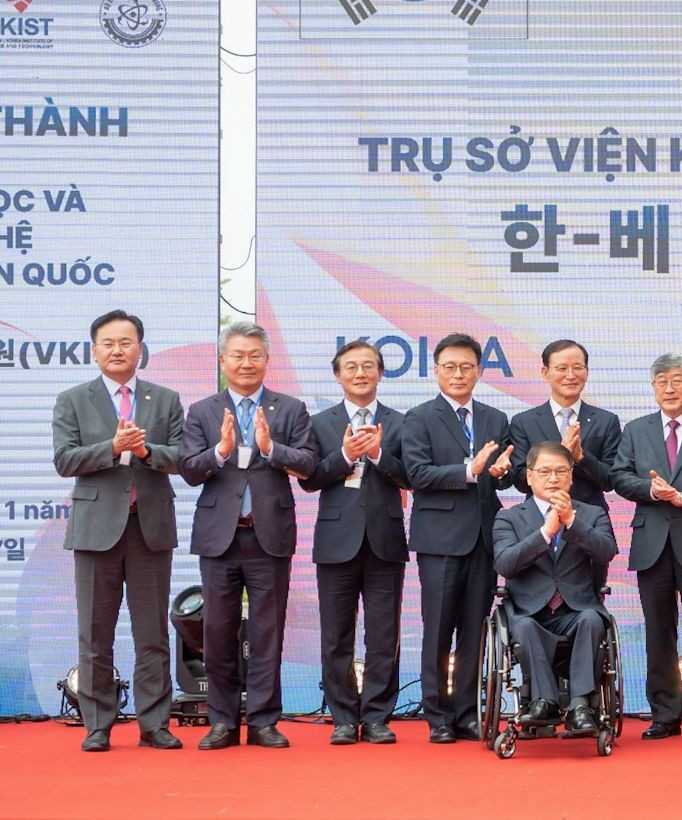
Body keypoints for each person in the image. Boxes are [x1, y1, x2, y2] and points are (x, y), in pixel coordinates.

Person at [180, 321, 318, 749]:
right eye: (237, 355)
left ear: (266, 361)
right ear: (222, 361)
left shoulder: (290, 409)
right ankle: (221, 720)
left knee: (266, 632)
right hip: (219, 538)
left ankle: (262, 721)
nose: (245, 363)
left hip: (268, 536)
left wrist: (270, 448)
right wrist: (220, 451)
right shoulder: (202, 411)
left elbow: (310, 463)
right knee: (217, 632)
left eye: (254, 355)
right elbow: (188, 469)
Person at [54, 309, 185, 752]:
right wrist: (111, 448)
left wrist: (146, 450)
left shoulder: (164, 399)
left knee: (152, 633)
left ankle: (154, 724)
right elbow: (64, 460)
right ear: (94, 350)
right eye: (108, 343)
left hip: (148, 528)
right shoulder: (73, 399)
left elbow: (183, 456)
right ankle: (97, 724)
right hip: (95, 531)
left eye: (126, 342)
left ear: (140, 349)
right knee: (95, 633)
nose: (117, 350)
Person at [399, 332, 513, 744]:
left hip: (483, 539)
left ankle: (467, 712)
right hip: (440, 540)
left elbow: (506, 474)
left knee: (474, 631)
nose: (459, 374)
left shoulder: (495, 419)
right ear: (436, 371)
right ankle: (438, 716)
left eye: (467, 366)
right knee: (438, 631)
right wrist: (469, 469)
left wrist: (502, 473)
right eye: (450, 367)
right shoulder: (418, 417)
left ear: (480, 371)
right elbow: (417, 474)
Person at [609, 352, 682, 741]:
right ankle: (664, 713)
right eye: (662, 381)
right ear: (653, 387)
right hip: (651, 542)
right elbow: (619, 476)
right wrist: (651, 490)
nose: (670, 388)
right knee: (658, 631)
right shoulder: (636, 430)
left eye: (677, 380)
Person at [301, 339, 410, 745]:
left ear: (381, 372)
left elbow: (412, 477)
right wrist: (345, 456)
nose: (360, 373)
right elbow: (310, 479)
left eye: (368, 366)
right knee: (336, 635)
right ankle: (344, 716)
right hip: (335, 541)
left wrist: (380, 454)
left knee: (383, 634)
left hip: (385, 539)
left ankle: (379, 716)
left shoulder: (401, 422)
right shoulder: (320, 422)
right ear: (337, 375)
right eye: (351, 367)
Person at [493, 441, 619, 733]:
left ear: (571, 476)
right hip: (529, 611)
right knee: (523, 627)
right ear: (529, 476)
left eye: (561, 471)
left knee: (591, 619)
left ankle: (581, 706)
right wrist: (545, 533)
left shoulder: (592, 514)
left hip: (576, 610)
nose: (553, 478)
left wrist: (572, 522)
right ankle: (543, 702)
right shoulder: (508, 517)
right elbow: (505, 564)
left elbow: (606, 551)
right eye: (545, 471)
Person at [508, 339, 620, 512]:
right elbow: (521, 480)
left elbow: (611, 480)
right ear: (545, 373)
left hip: (590, 520)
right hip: (539, 522)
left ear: (587, 371)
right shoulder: (523, 422)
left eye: (577, 368)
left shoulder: (606, 421)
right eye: (562, 368)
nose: (570, 375)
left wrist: (581, 458)